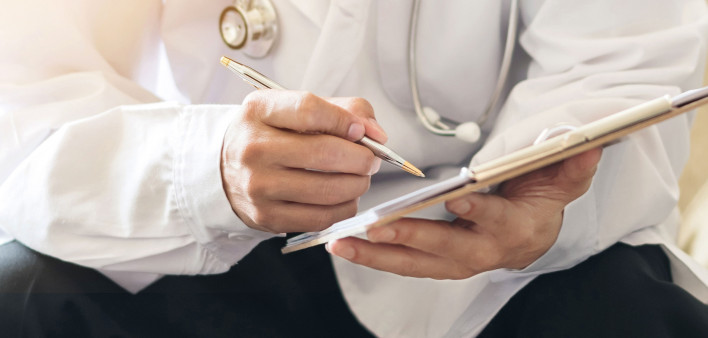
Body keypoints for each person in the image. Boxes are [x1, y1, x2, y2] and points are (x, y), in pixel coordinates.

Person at [1, 0, 707, 336]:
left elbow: (622, 66)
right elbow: (25, 101)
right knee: (24, 297)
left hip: (498, 272)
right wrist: (202, 168)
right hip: (202, 238)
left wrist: (543, 199)